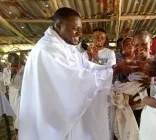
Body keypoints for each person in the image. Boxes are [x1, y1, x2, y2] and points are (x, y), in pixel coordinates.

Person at [18, 7, 136, 140]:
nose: (80, 33)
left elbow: (87, 66)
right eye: (75, 29)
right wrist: (115, 70)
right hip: (51, 117)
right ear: (58, 26)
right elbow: (73, 81)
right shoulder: (48, 49)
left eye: (80, 29)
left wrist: (113, 67)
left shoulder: (66, 46)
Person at [111, 59, 156, 140]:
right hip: (133, 107)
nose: (140, 62)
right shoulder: (137, 72)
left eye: (143, 64)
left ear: (146, 73)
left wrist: (117, 74)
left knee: (128, 131)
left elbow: (119, 90)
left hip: (135, 111)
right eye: (143, 61)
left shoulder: (141, 81)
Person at [3, 53, 24, 130]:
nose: (17, 61)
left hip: (23, 93)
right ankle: (17, 129)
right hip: (13, 94)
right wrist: (12, 73)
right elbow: (6, 82)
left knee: (23, 110)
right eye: (15, 60)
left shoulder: (23, 68)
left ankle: (22, 128)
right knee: (15, 110)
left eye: (18, 59)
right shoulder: (6, 70)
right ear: (9, 60)